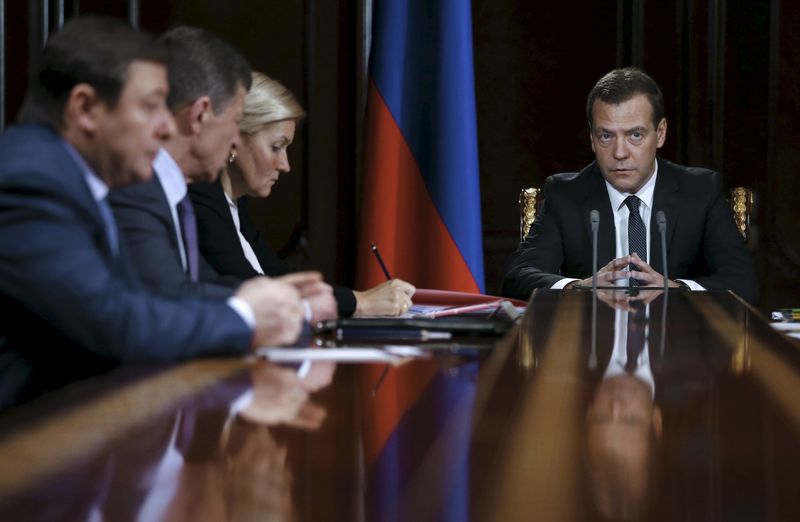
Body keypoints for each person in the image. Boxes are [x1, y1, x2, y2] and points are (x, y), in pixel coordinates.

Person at [0, 16, 303, 409]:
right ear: (86, 108)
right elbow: (114, 323)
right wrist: (246, 316)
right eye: (150, 107)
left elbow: (143, 298)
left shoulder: (73, 176)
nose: (166, 128)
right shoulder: (33, 181)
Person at [107, 28, 336, 322]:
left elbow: (201, 285)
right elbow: (169, 300)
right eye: (235, 122)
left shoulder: (175, 191)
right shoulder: (138, 189)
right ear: (199, 115)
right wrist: (280, 310)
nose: (236, 141)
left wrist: (287, 300)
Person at [502, 67, 759, 305]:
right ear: (592, 138)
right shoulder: (566, 194)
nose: (620, 153)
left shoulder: (700, 191)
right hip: (592, 346)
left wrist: (676, 288)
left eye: (635, 135)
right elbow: (518, 278)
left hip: (680, 345)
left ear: (660, 133)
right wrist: (579, 287)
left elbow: (744, 284)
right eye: (606, 136)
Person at [189, 72, 415, 317]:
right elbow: (253, 290)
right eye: (276, 147)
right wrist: (359, 303)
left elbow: (282, 279)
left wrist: (360, 299)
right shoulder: (200, 197)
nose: (285, 165)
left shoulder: (235, 202)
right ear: (235, 139)